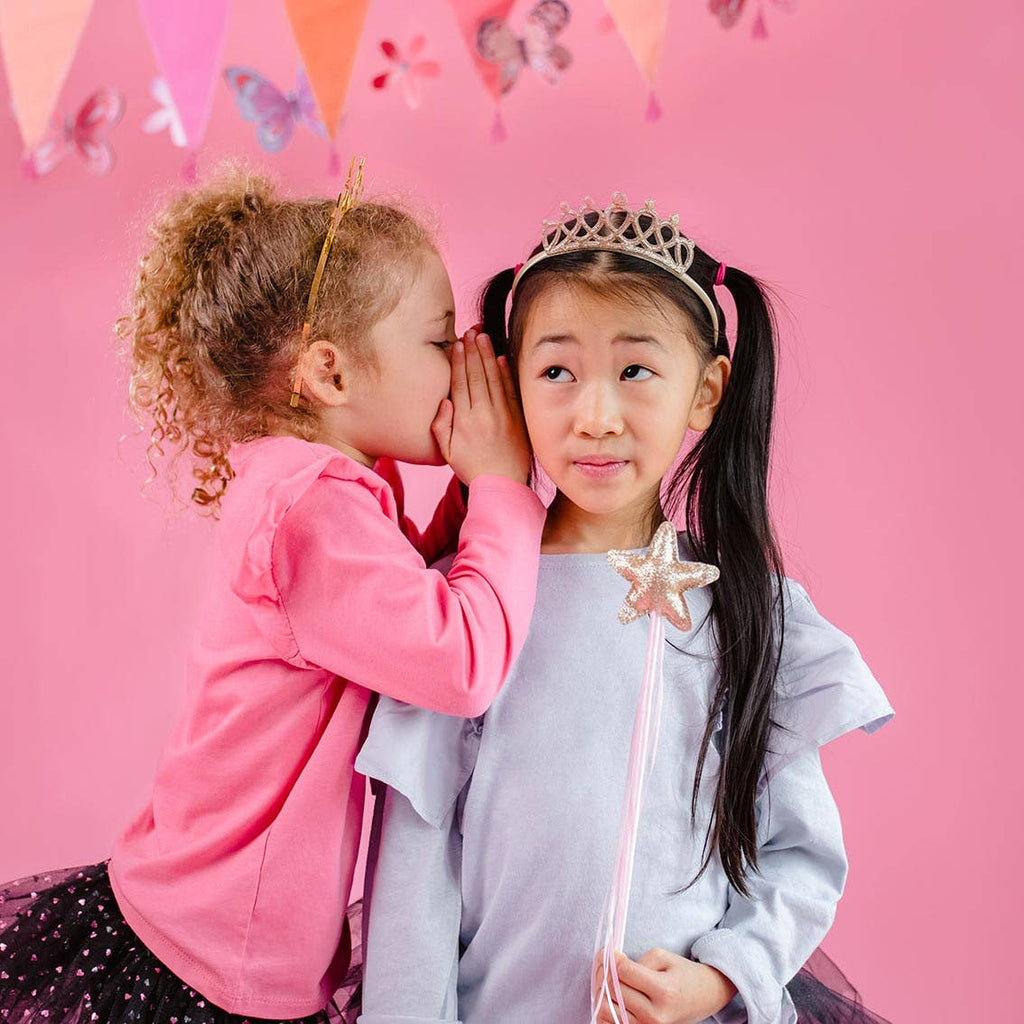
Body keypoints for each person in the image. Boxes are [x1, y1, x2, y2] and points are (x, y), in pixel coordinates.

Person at [0, 164, 546, 1024]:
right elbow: (459, 661)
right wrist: (505, 487)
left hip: (213, 932)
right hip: (213, 956)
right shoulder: (311, 510)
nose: (462, 364)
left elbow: (404, 600)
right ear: (330, 373)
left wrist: (473, 490)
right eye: (441, 342)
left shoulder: (320, 487)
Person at [355, 195, 896, 1024]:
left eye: (636, 371)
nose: (596, 417)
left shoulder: (745, 613)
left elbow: (801, 855)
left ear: (706, 392)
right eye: (556, 373)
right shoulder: (467, 610)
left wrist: (720, 978)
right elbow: (417, 867)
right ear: (512, 386)